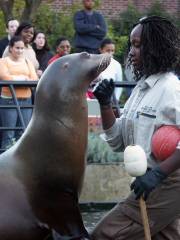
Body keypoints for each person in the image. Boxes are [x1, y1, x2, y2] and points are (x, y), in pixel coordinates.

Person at [91, 16, 180, 239]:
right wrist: (105, 104)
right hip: (147, 182)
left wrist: (158, 174)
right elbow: (117, 140)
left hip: (168, 182)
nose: (131, 51)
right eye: (131, 44)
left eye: (138, 45)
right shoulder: (140, 90)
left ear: (156, 48)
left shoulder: (172, 89)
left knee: (105, 234)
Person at [0, 36, 38, 150]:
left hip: (26, 100)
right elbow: (5, 77)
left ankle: (21, 165)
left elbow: (34, 78)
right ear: (11, 48)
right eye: (17, 48)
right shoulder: (3, 61)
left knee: (23, 133)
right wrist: (22, 79)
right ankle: (4, 165)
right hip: (9, 100)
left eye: (22, 48)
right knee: (9, 134)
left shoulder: (27, 62)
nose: (20, 51)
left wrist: (17, 79)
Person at [87, 38, 123, 102]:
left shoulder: (117, 65)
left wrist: (116, 99)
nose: (110, 53)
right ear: (100, 49)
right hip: (93, 98)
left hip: (110, 100)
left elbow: (119, 84)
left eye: (112, 51)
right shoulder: (93, 63)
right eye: (108, 50)